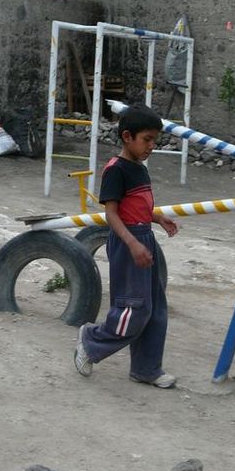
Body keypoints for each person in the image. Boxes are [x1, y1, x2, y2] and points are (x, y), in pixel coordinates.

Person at [73, 104, 179, 388]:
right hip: (127, 242)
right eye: (147, 139)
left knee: (155, 308)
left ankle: (146, 369)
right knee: (134, 309)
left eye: (155, 140)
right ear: (127, 137)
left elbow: (138, 207)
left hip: (145, 239)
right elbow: (112, 214)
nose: (151, 146)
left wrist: (157, 218)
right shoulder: (116, 170)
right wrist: (132, 243)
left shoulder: (139, 168)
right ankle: (91, 341)